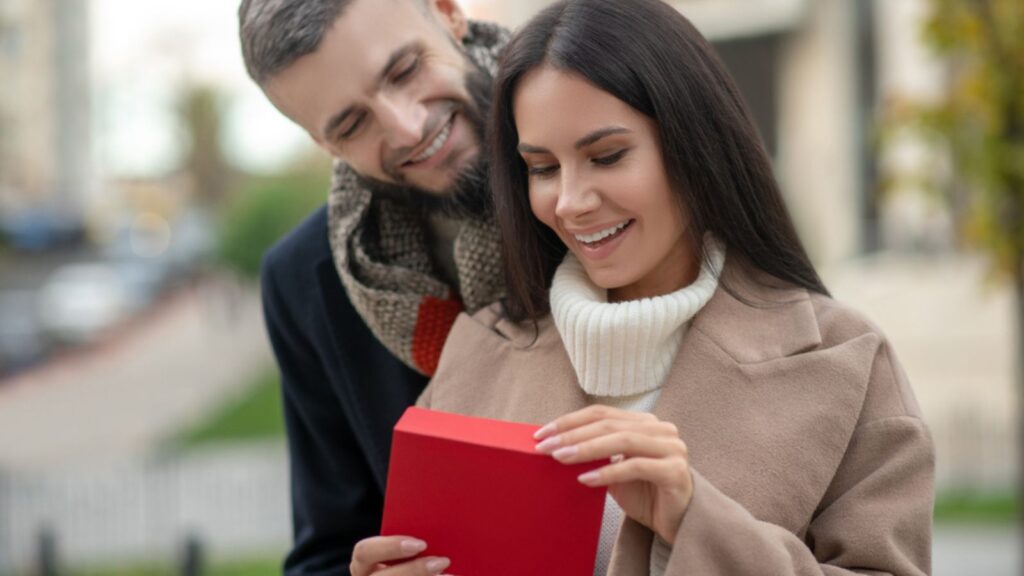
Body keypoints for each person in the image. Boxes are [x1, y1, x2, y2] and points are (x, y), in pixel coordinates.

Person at [350, 0, 935, 575]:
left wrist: (694, 518)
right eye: (543, 168)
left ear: (694, 144)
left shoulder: (847, 361)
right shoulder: (475, 356)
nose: (571, 202)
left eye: (606, 156)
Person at [236, 0, 509, 573]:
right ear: (323, 144)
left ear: (448, 13)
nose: (408, 128)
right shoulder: (306, 282)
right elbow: (326, 550)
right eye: (352, 125)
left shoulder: (620, 142)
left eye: (405, 70)